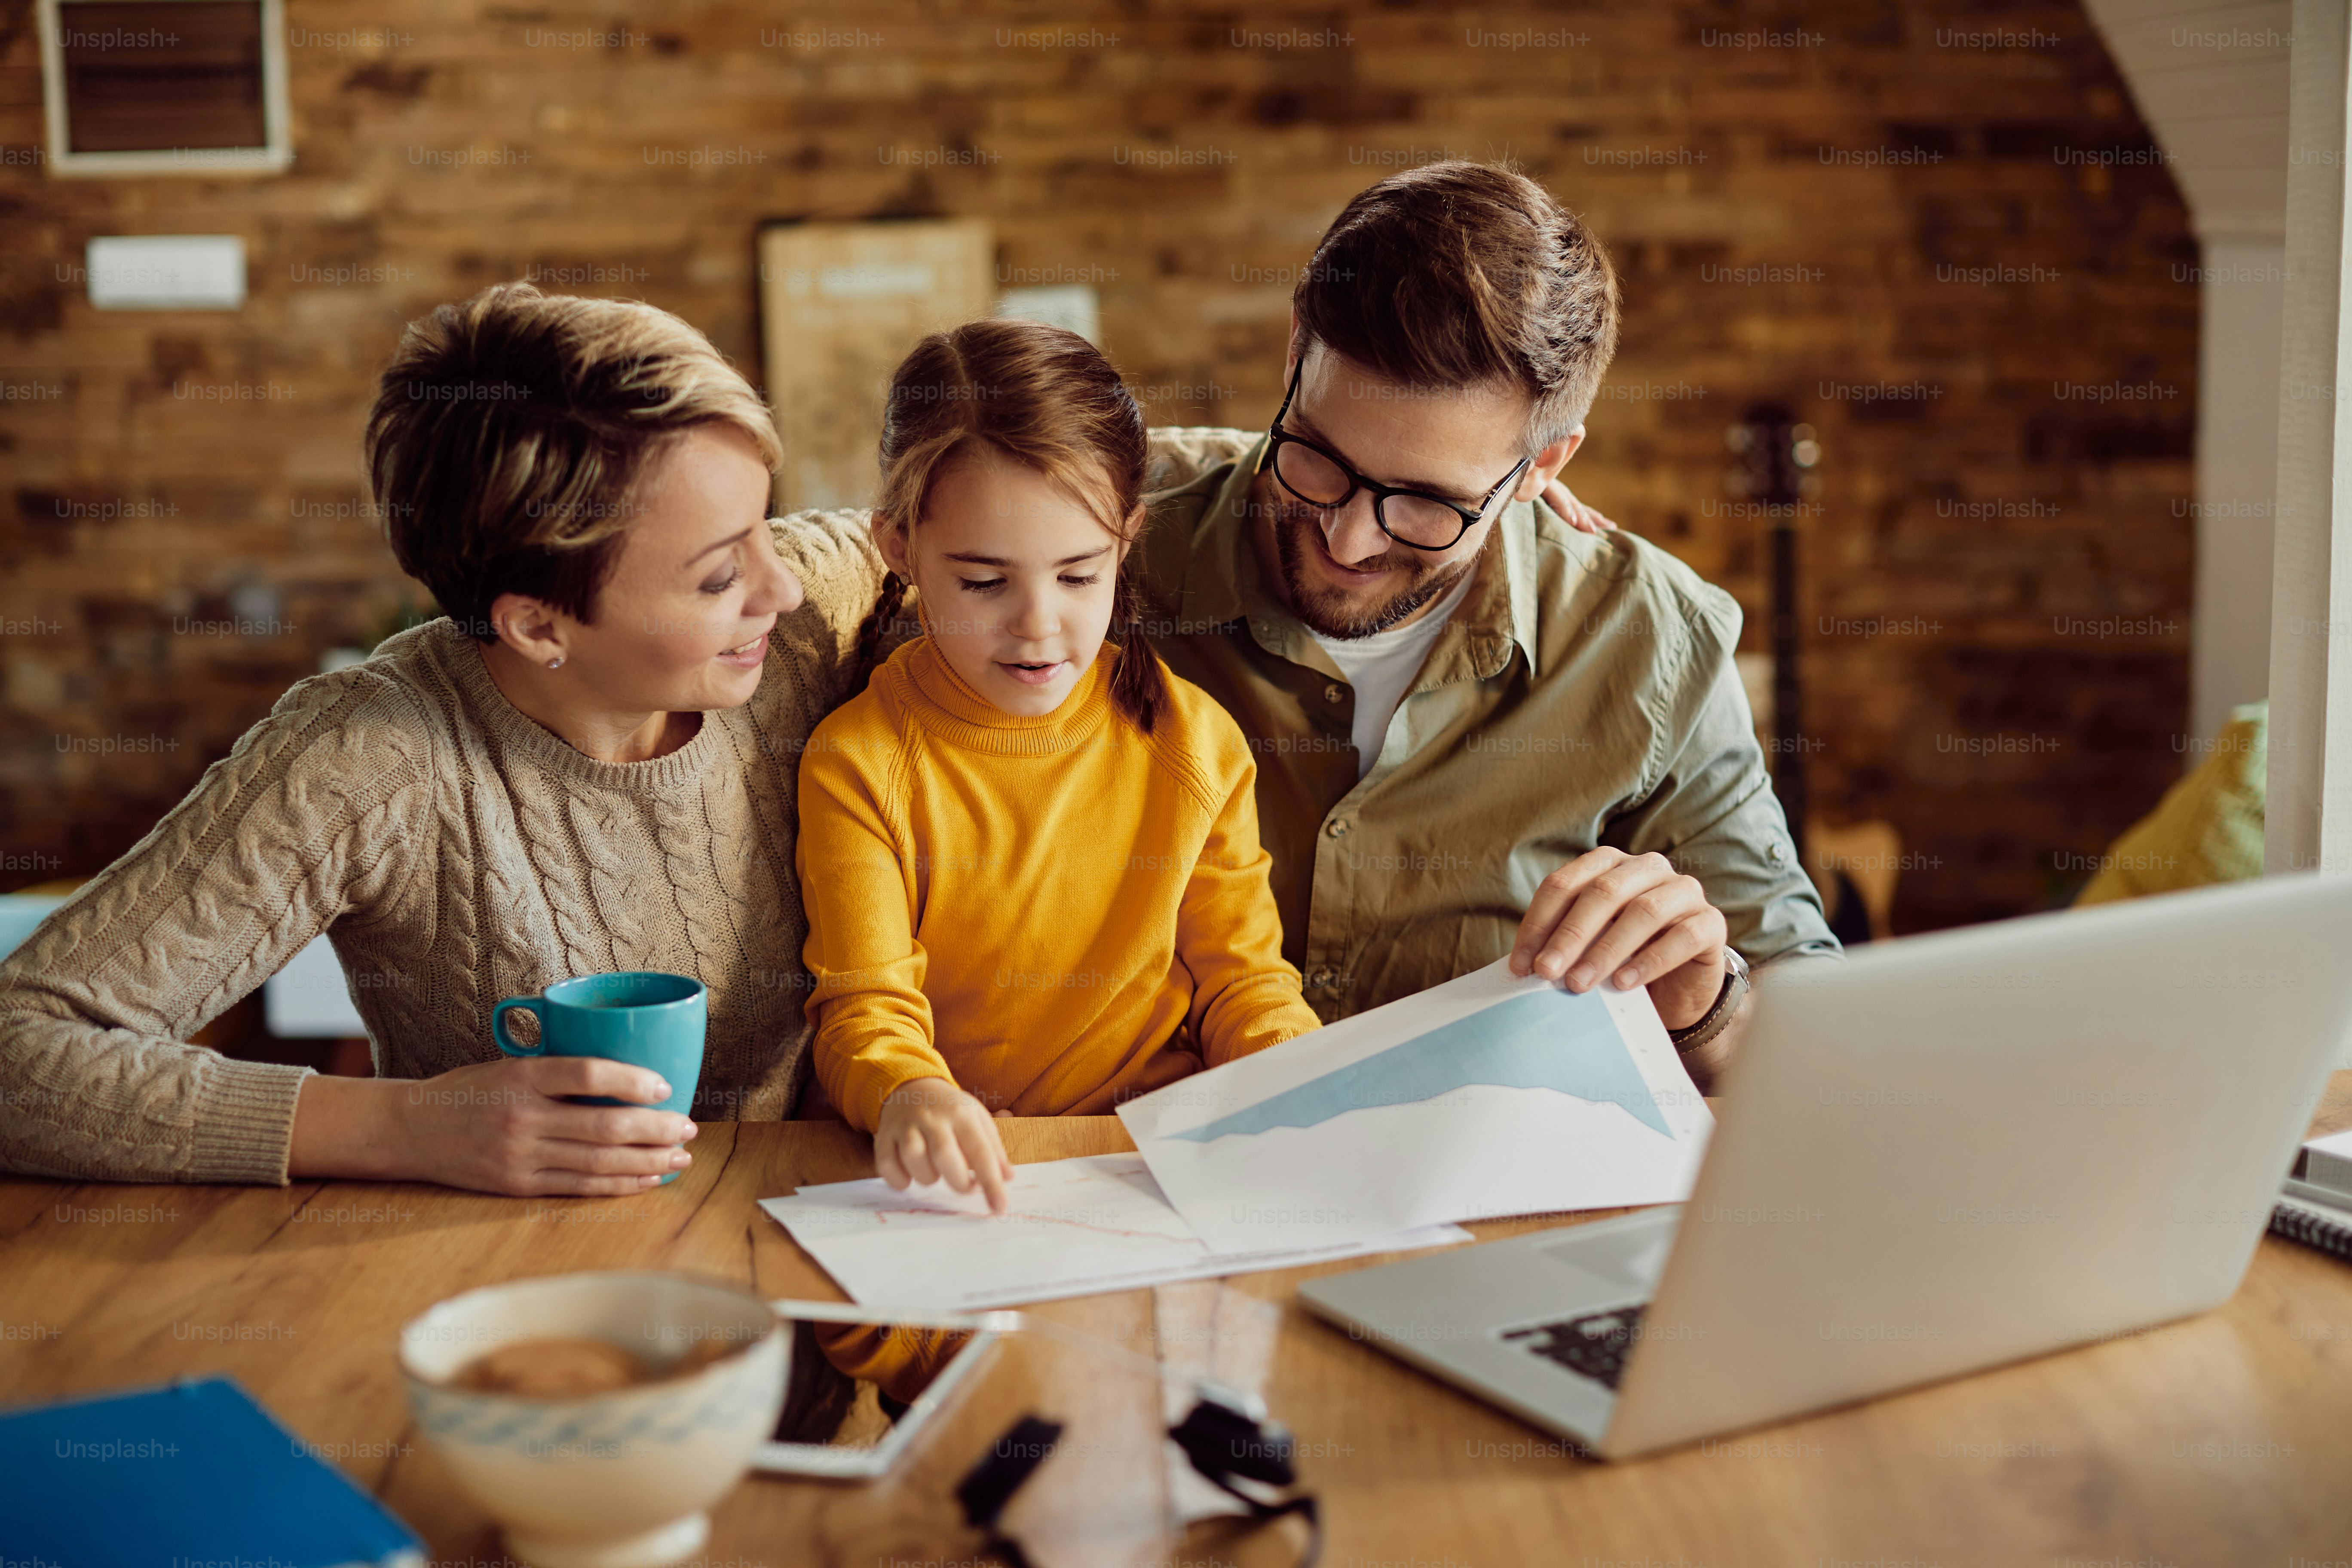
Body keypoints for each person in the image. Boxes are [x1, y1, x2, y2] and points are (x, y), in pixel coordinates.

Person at [781, 161, 1839, 1090]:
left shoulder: (1649, 641)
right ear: (1296, 353)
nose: (1344, 539)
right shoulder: (1102, 547)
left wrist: (1707, 1001)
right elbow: (901, 540)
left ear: (1543, 468)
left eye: (1426, 501)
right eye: (1319, 458)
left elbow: (1820, 1040)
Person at [0, 282, 842, 1191]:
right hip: (495, 1278)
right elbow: (21, 1056)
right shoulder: (370, 755)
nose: (782, 587)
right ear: (537, 628)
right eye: (721, 576)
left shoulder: (811, 618)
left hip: (823, 1238)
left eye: (767, 526)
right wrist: (410, 1126)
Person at [797, 318, 1323, 1217]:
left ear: (1127, 539)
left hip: (1160, 1164)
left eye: (1077, 577)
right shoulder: (860, 763)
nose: (1039, 626)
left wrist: (1307, 1078)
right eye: (983, 582)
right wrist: (909, 1096)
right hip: (972, 1183)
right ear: (898, 548)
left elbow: (1244, 983)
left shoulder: (1195, 741)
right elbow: (864, 1008)